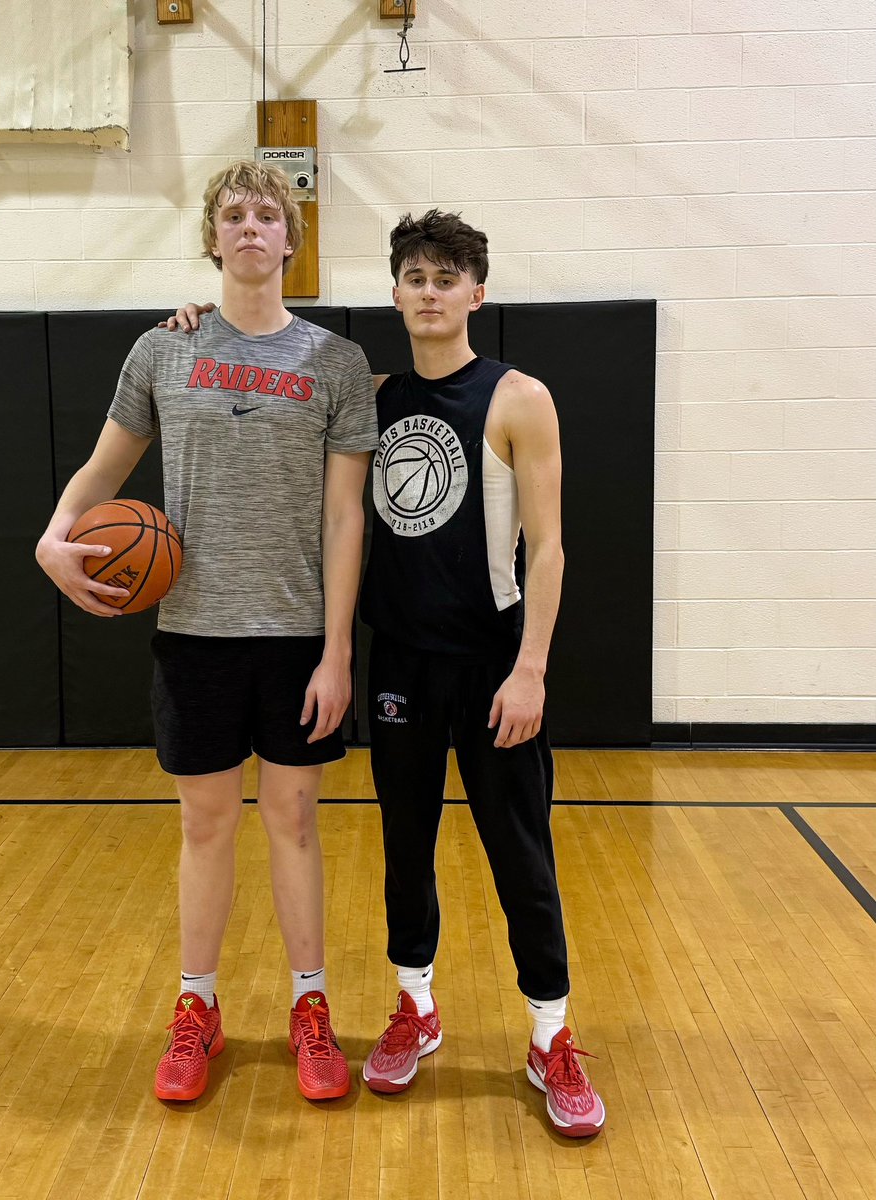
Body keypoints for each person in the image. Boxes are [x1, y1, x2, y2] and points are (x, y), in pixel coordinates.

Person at [166, 209, 605, 1137]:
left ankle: (550, 1037)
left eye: (449, 278)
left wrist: (530, 668)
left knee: (518, 856)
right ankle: (416, 1008)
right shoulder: (368, 394)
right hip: (400, 663)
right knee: (404, 852)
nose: (431, 291)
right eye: (415, 277)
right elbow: (270, 368)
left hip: (492, 665)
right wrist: (196, 320)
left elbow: (551, 547)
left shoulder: (519, 396)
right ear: (396, 292)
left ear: (476, 294)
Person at [36, 161, 378, 1104]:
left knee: (297, 822)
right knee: (206, 823)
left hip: (298, 632)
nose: (252, 228)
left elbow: (346, 517)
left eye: (270, 215)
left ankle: (311, 1008)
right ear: (213, 235)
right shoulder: (162, 351)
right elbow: (106, 468)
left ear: (291, 239)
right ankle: (198, 1008)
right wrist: (53, 537)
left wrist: (337, 650)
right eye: (235, 214)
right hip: (194, 631)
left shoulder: (336, 363)